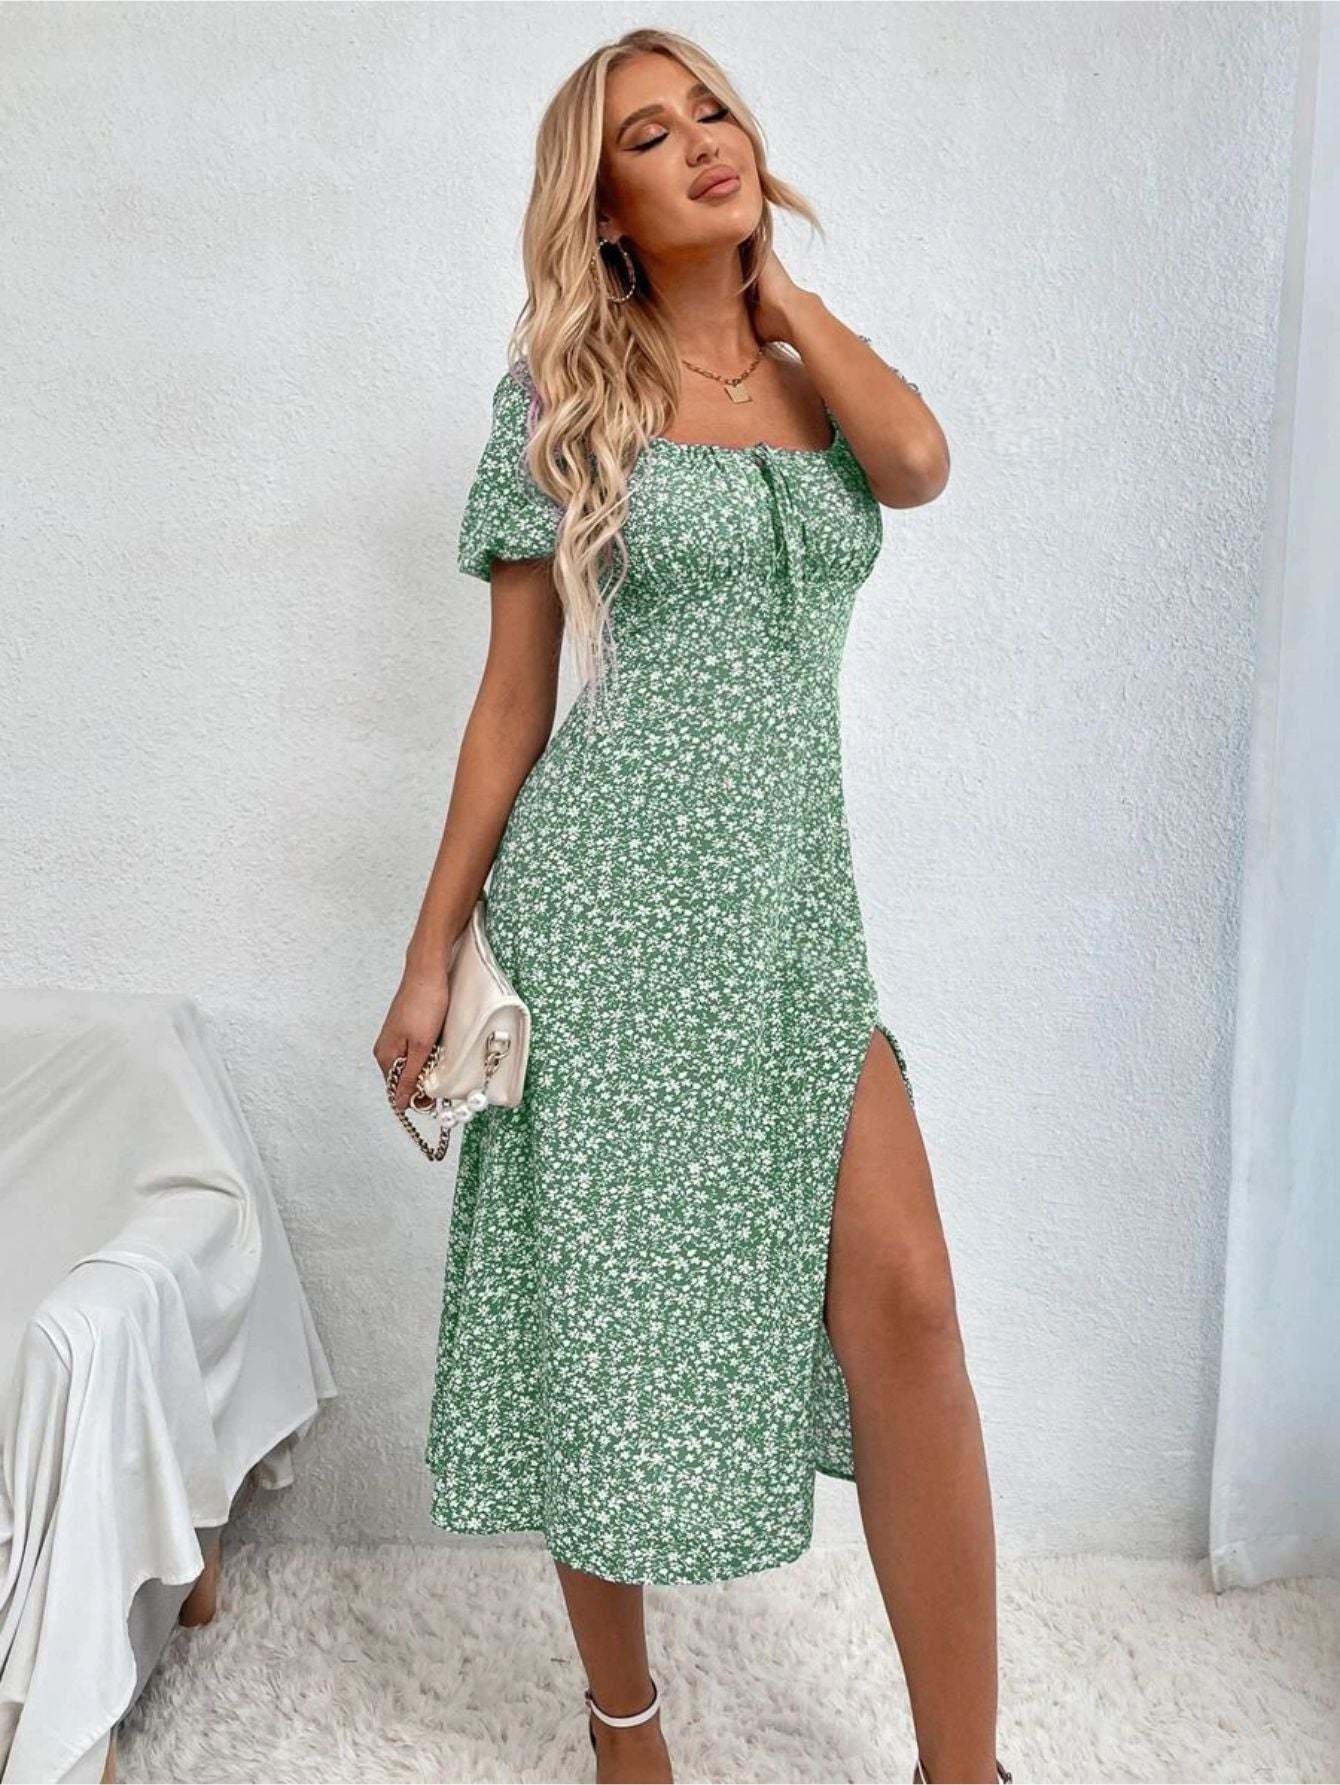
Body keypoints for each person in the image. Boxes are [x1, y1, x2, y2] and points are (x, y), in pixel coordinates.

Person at [374, 27, 1012, 1785]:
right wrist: (430, 956)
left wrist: (778, 295)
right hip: (607, 918)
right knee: (605, 1325)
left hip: (794, 930)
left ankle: (966, 1767)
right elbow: (513, 699)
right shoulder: (560, 392)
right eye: (650, 138)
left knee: (910, 1302)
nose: (703, 143)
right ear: (606, 207)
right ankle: (625, 1722)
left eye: (711, 110)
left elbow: (920, 461)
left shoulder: (817, 377)